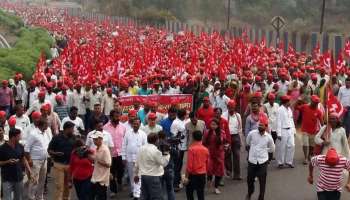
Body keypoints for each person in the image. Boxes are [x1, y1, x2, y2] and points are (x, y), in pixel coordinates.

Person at [315, 113, 350, 189]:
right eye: (330, 118)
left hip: (337, 156)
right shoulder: (325, 127)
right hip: (325, 155)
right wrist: (323, 142)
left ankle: (335, 191)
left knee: (336, 176)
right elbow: (316, 138)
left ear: (337, 120)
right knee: (325, 174)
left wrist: (348, 157)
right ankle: (323, 189)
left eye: (334, 118)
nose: (332, 120)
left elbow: (345, 145)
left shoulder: (342, 130)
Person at [245, 116, 275, 200]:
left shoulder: (269, 137)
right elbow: (247, 143)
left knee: (262, 182)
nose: (260, 127)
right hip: (252, 161)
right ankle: (250, 192)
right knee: (249, 180)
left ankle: (261, 197)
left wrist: (264, 150)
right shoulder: (252, 133)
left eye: (262, 125)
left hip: (262, 162)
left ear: (266, 126)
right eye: (259, 125)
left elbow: (272, 149)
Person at [134, 133, 170, 200]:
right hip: (154, 177)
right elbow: (164, 163)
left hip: (143, 176)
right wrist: (167, 154)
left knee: (145, 197)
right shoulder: (156, 151)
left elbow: (137, 163)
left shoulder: (141, 149)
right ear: (157, 140)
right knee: (156, 197)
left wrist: (136, 175)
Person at [0, 128, 32, 200]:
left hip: (18, 178)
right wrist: (7, 161)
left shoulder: (20, 146)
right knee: (7, 198)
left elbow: (23, 159)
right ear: (13, 137)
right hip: (7, 179)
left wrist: (29, 170)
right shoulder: (2, 148)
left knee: (18, 198)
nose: (20, 138)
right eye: (19, 136)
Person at [24, 119, 52, 200]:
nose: (48, 126)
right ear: (42, 125)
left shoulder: (45, 133)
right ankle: (31, 197)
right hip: (35, 161)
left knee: (42, 181)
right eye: (47, 124)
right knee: (34, 181)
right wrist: (29, 160)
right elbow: (26, 148)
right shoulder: (33, 134)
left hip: (44, 160)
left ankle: (39, 197)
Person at [48, 121, 76, 200]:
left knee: (68, 186)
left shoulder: (74, 138)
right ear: (66, 129)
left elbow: (77, 149)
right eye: (72, 129)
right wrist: (56, 153)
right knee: (59, 186)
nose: (73, 131)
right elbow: (49, 150)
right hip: (59, 165)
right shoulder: (57, 138)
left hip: (70, 165)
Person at [121, 118, 147, 199]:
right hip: (129, 158)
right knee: (131, 175)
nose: (135, 125)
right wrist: (123, 157)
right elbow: (124, 145)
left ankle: (137, 193)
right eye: (134, 123)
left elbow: (145, 147)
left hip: (140, 159)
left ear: (140, 124)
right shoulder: (128, 133)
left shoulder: (143, 134)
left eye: (137, 124)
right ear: (132, 124)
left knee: (138, 176)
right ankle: (133, 191)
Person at [295, 95, 323, 164]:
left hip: (313, 131)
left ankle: (309, 155)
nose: (316, 104)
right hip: (305, 130)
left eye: (317, 103)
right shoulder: (305, 106)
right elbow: (296, 107)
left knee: (311, 146)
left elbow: (322, 122)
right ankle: (305, 158)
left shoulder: (318, 111)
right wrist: (297, 101)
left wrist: (323, 131)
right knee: (305, 144)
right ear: (311, 101)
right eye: (315, 103)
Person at [103, 110, 126, 192]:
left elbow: (125, 140)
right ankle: (113, 190)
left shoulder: (123, 127)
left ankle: (119, 181)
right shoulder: (105, 128)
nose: (118, 118)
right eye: (116, 116)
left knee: (121, 171)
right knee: (111, 172)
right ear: (111, 117)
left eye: (119, 116)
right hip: (110, 154)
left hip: (120, 153)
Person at [203, 119, 228, 194]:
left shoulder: (222, 133)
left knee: (219, 171)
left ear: (218, 125)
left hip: (219, 154)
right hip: (209, 154)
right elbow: (204, 143)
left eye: (215, 125)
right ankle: (209, 180)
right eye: (212, 124)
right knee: (209, 169)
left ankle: (216, 187)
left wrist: (226, 146)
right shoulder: (207, 132)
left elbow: (225, 142)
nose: (213, 126)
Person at [222, 100, 243, 180]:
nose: (232, 109)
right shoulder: (224, 115)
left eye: (233, 108)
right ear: (227, 107)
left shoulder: (238, 116)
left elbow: (240, 129)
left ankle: (237, 174)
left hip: (236, 136)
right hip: (227, 137)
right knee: (227, 155)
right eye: (230, 108)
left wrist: (241, 140)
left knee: (237, 155)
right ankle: (229, 170)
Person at [185, 131, 209, 200]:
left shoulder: (191, 149)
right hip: (202, 174)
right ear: (201, 137)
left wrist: (186, 176)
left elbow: (189, 165)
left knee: (189, 193)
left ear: (193, 138)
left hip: (193, 175)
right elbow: (207, 163)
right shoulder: (205, 149)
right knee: (200, 193)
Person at [89, 131, 112, 200]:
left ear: (101, 139)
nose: (94, 141)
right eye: (93, 139)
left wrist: (96, 160)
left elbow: (108, 164)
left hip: (102, 179)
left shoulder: (105, 149)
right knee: (92, 196)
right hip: (96, 177)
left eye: (96, 139)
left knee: (101, 197)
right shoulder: (97, 148)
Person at [276, 95, 296, 168]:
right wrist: (279, 133)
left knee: (292, 145)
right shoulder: (280, 110)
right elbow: (278, 122)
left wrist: (294, 130)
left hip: (290, 129)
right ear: (285, 102)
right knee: (282, 147)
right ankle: (280, 162)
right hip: (283, 130)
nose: (290, 102)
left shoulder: (289, 109)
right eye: (289, 101)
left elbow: (291, 120)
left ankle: (289, 161)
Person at [170, 108, 188, 191]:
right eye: (185, 114)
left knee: (179, 165)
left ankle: (178, 181)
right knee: (177, 166)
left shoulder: (182, 121)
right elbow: (174, 135)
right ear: (183, 115)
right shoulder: (176, 123)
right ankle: (175, 184)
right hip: (177, 147)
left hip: (182, 147)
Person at [263, 93, 279, 160]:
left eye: (273, 99)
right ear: (268, 99)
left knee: (274, 141)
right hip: (268, 126)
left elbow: (278, 115)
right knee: (268, 141)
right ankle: (268, 156)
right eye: (270, 99)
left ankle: (271, 154)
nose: (272, 101)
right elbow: (264, 116)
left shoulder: (277, 105)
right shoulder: (265, 106)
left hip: (275, 126)